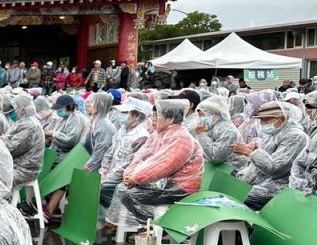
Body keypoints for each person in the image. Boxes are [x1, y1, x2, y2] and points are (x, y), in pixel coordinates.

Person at [106, 100, 203, 233]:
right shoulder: (159, 134)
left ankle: (155, 227)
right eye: (152, 116)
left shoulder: (182, 138)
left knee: (131, 195)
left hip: (181, 188)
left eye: (157, 116)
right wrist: (129, 175)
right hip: (164, 184)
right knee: (123, 189)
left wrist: (137, 179)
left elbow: (164, 165)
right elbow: (141, 157)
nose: (153, 120)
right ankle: (147, 227)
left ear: (170, 118)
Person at [233, 101, 307, 210]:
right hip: (262, 182)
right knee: (231, 187)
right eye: (261, 119)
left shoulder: (295, 137)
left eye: (266, 119)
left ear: (281, 118)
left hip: (278, 188)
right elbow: (262, 160)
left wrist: (250, 153)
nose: (262, 123)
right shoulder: (273, 134)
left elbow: (274, 168)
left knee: (236, 195)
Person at [99, 97, 150, 208]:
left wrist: (109, 177)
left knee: (101, 191)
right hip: (110, 172)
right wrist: (103, 171)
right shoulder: (122, 129)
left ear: (136, 116)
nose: (121, 115)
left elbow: (129, 162)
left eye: (125, 113)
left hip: (123, 176)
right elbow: (110, 152)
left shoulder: (141, 136)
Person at [1, 93, 45, 188]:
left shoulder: (29, 125)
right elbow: (9, 141)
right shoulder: (21, 122)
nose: (11, 112)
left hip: (24, 170)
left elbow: (11, 149)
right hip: (16, 165)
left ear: (21, 109)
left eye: (14, 108)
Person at [194, 97, 244, 170]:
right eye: (200, 116)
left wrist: (201, 134)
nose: (202, 118)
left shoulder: (228, 130)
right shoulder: (211, 127)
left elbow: (215, 157)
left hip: (230, 172)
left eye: (204, 115)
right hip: (214, 170)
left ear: (215, 114)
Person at [45, 94, 88, 159]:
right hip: (56, 154)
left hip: (67, 156)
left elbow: (71, 141)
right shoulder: (62, 118)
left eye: (60, 109)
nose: (58, 111)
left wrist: (53, 134)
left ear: (70, 107)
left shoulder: (77, 119)